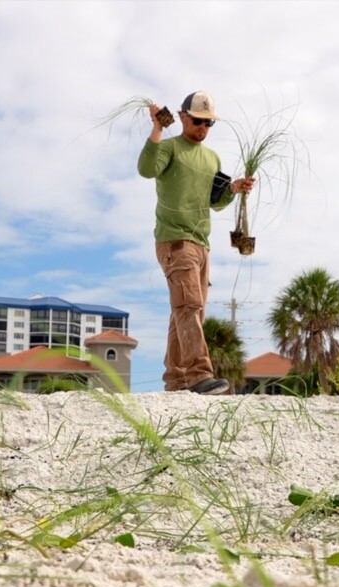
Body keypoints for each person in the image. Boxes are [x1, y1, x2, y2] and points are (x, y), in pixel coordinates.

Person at [137, 91, 255, 394]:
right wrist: (157, 128)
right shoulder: (169, 147)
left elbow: (215, 202)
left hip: (202, 243)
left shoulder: (212, 158)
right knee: (189, 305)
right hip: (175, 240)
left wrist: (233, 189)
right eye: (198, 121)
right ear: (182, 117)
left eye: (209, 123)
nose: (203, 127)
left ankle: (176, 381)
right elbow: (146, 170)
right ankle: (199, 374)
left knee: (188, 309)